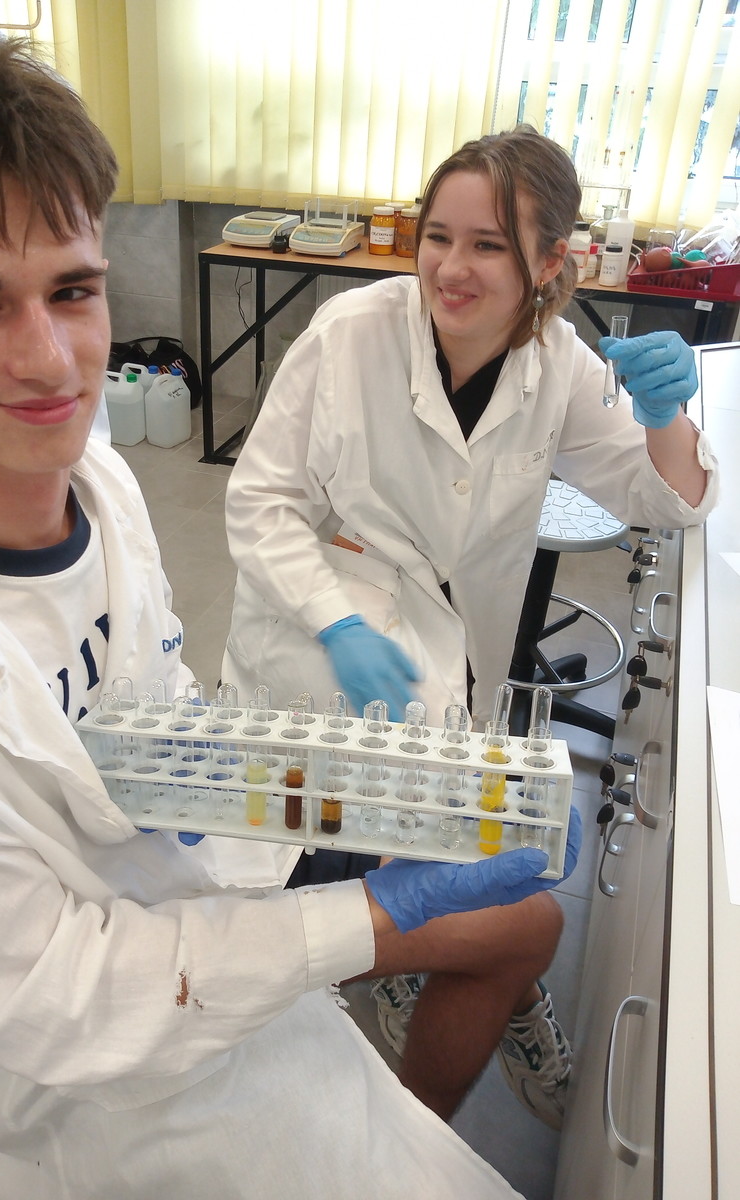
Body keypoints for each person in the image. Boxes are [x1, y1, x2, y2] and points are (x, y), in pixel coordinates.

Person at [0, 34, 580, 1200]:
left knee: (506, 939)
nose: (50, 359)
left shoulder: (101, 483)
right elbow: (73, 998)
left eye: (73, 291)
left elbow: (162, 711)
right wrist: (370, 914)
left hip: (209, 891)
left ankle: (399, 1092)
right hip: (94, 1087)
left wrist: (374, 786)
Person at [222, 126, 718, 1121]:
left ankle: (442, 1050)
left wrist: (666, 413)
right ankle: (403, 996)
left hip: (453, 676)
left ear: (550, 262)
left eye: (488, 244)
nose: (450, 267)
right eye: (438, 236)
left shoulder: (559, 366)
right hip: (308, 675)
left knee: (484, 900)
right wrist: (335, 623)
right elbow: (259, 504)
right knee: (324, 899)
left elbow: (670, 498)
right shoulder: (351, 335)